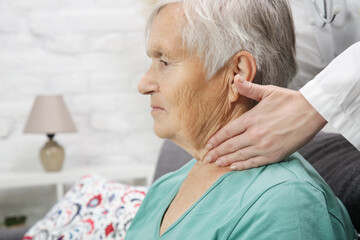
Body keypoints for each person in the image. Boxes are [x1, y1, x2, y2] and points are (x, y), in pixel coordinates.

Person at [125, 0, 356, 239]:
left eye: (165, 62)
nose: (144, 85)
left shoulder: (283, 203)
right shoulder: (165, 189)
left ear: (238, 74)